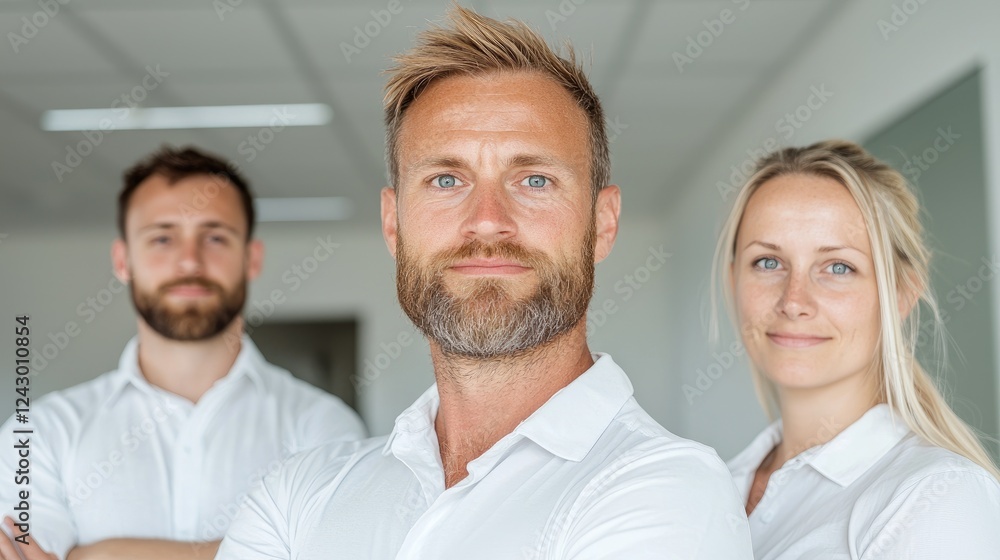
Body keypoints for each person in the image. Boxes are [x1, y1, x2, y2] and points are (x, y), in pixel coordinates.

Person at [217, 6, 752, 559]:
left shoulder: (667, 493)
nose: (488, 219)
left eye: (535, 179)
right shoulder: (297, 496)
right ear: (394, 223)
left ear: (603, 224)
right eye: (446, 179)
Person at [0, 146, 367, 560]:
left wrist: (93, 555)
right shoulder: (40, 435)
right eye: (162, 238)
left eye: (214, 237)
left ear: (251, 259)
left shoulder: (323, 427)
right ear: (123, 261)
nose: (189, 261)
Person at [715, 140, 1000, 559]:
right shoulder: (712, 485)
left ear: (900, 295)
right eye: (768, 262)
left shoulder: (937, 497)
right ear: (734, 278)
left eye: (838, 267)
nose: (794, 301)